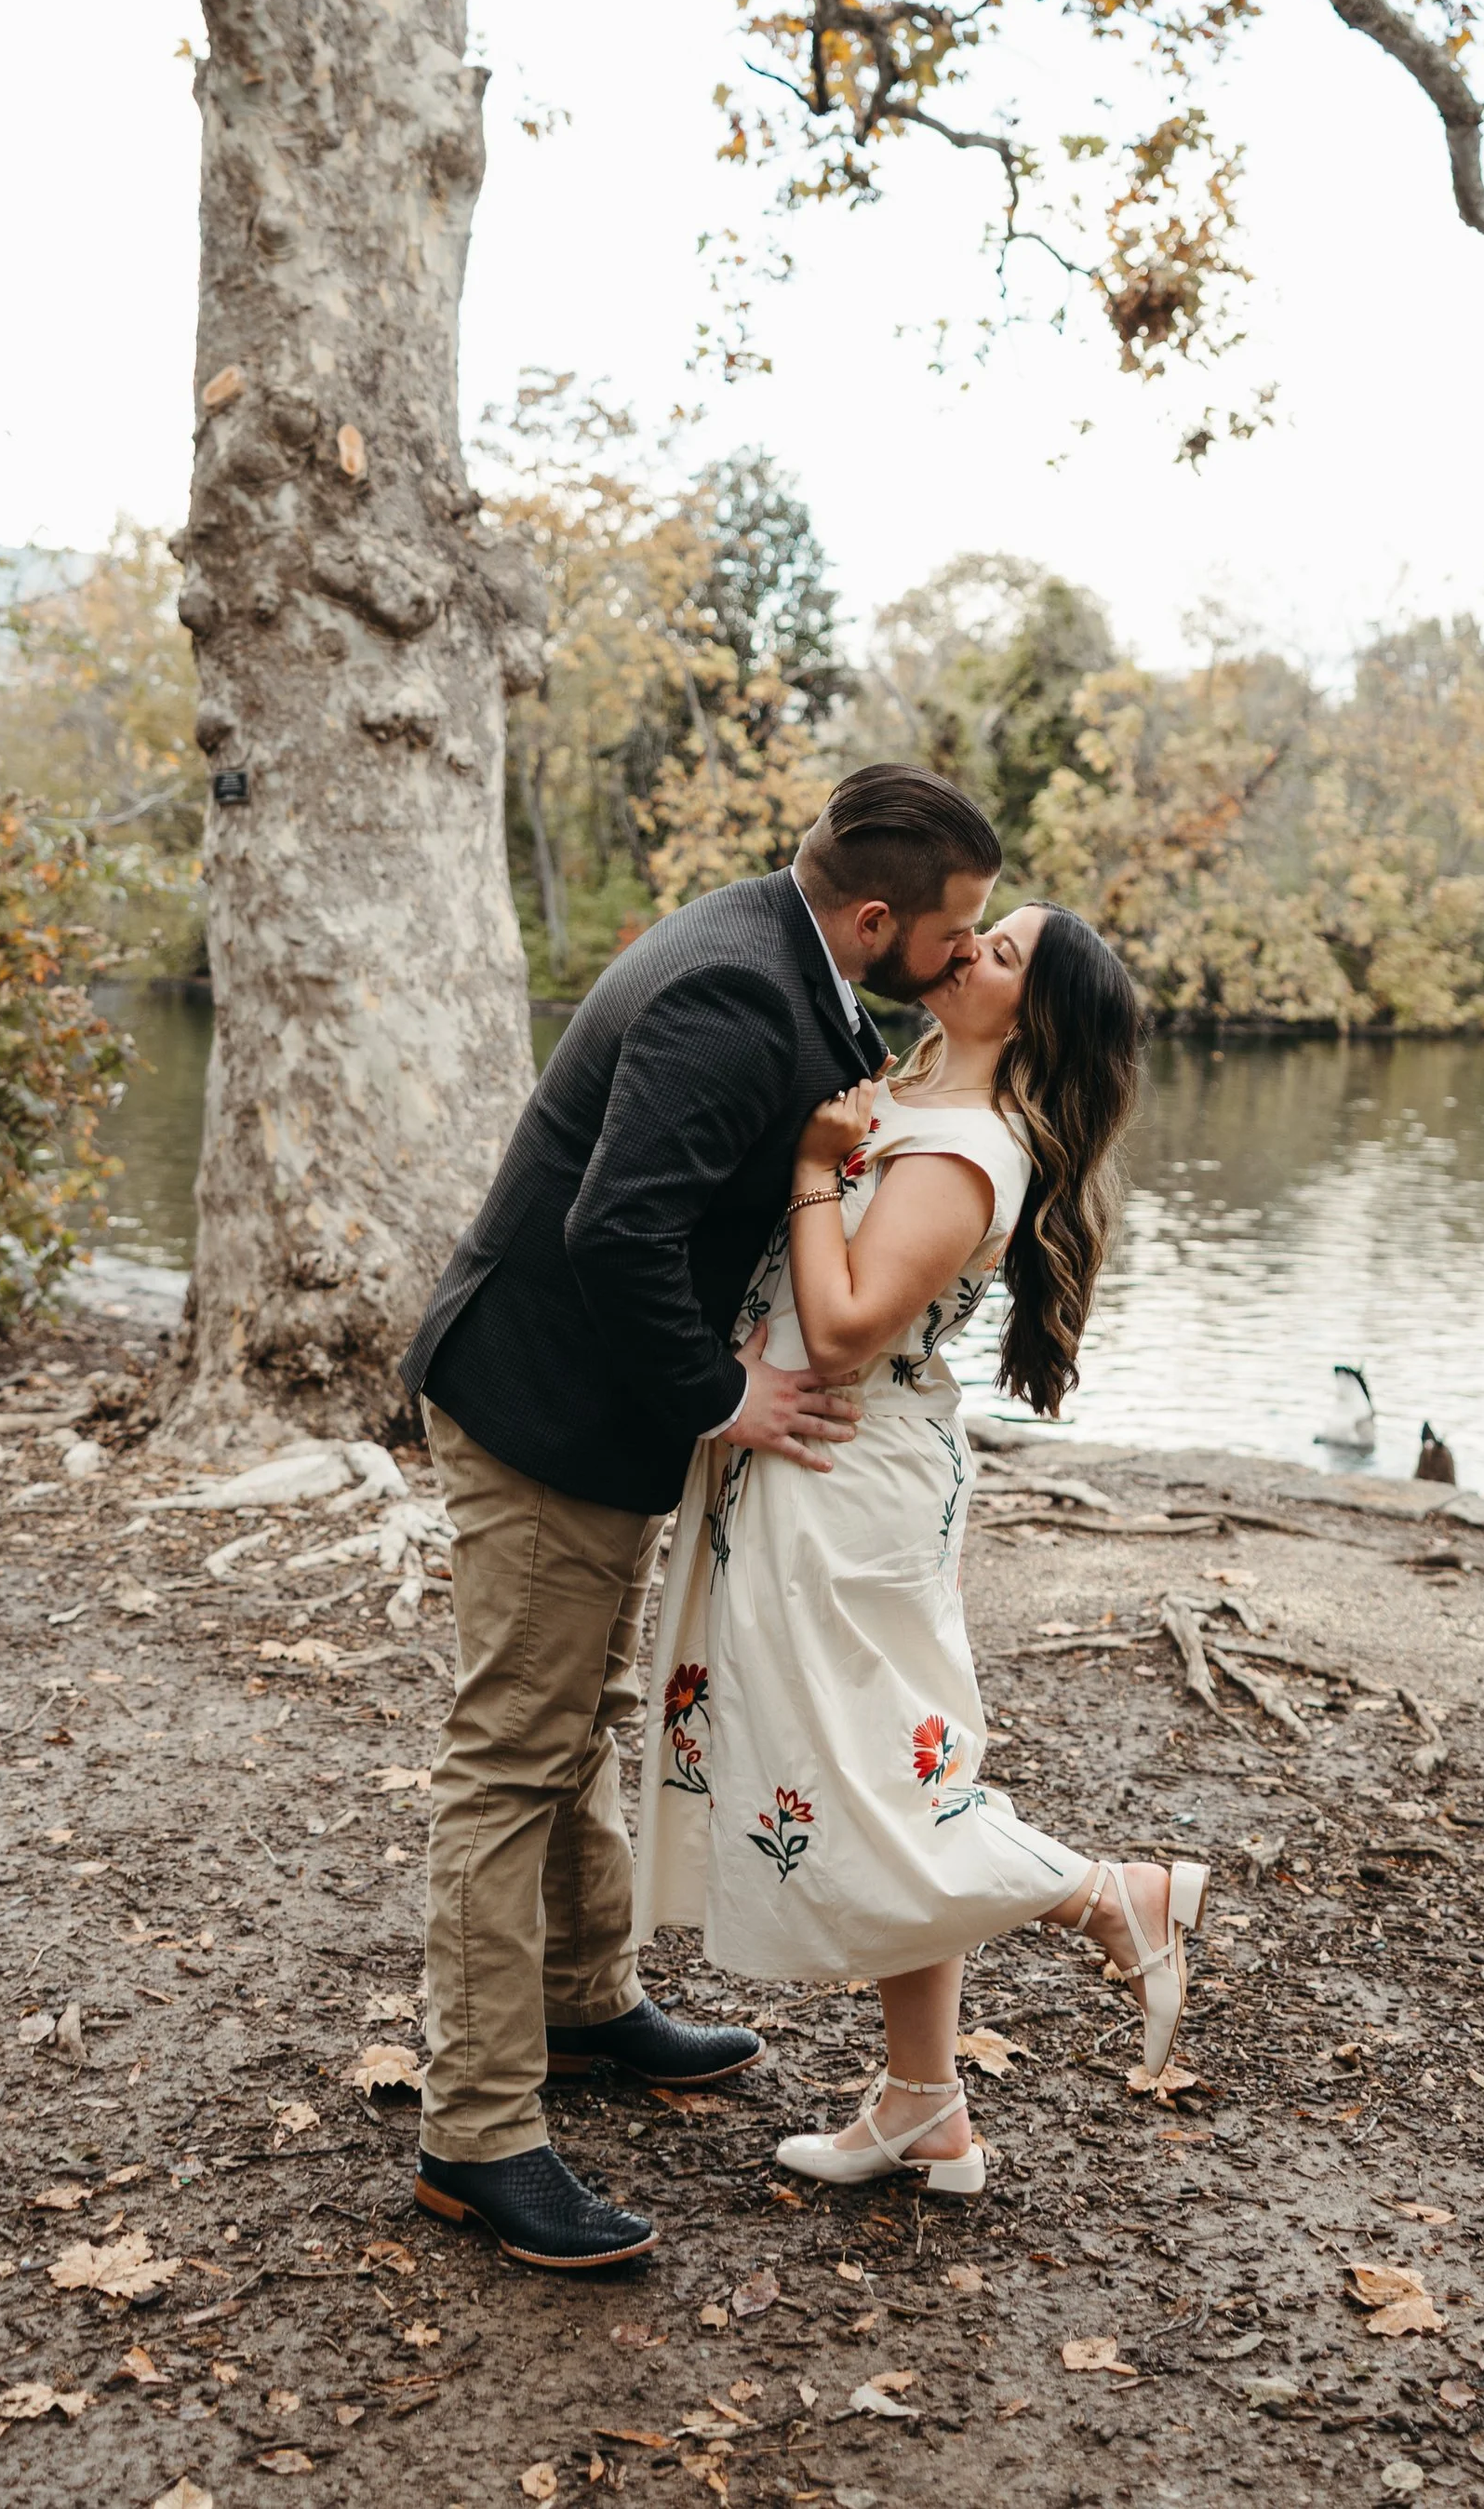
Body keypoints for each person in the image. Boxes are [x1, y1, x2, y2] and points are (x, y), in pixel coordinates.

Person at [399, 764, 1004, 2270]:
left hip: (596, 1413)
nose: (958, 956)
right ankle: (476, 2134)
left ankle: (587, 2002)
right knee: (511, 1753)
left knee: (587, 1709)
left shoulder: (780, 950)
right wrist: (721, 1396)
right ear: (879, 916)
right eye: (957, 930)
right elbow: (616, 1226)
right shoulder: (735, 994)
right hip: (542, 1403)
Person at [635, 902, 1209, 2196]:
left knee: (876, 1779)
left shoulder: (966, 1151)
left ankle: (1108, 1894)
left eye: (1000, 956)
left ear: (1036, 1018)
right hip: (803, 1458)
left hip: (843, 1466)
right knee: (900, 1757)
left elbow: (838, 1326)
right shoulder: (907, 1085)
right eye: (979, 932)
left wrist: (804, 1164)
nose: (966, 953)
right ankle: (926, 2104)